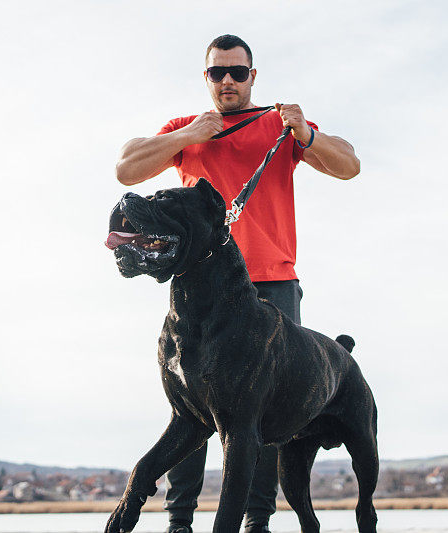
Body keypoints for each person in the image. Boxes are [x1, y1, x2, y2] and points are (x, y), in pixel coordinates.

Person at [115, 34, 360, 533]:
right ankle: (179, 520)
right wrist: (188, 138)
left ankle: (256, 520)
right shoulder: (186, 130)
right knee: (191, 408)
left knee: (262, 411)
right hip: (199, 287)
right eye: (216, 73)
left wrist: (305, 135)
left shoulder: (277, 124)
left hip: (270, 282)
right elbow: (127, 167)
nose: (227, 80)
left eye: (237, 72)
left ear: (253, 76)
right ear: (205, 78)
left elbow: (349, 165)